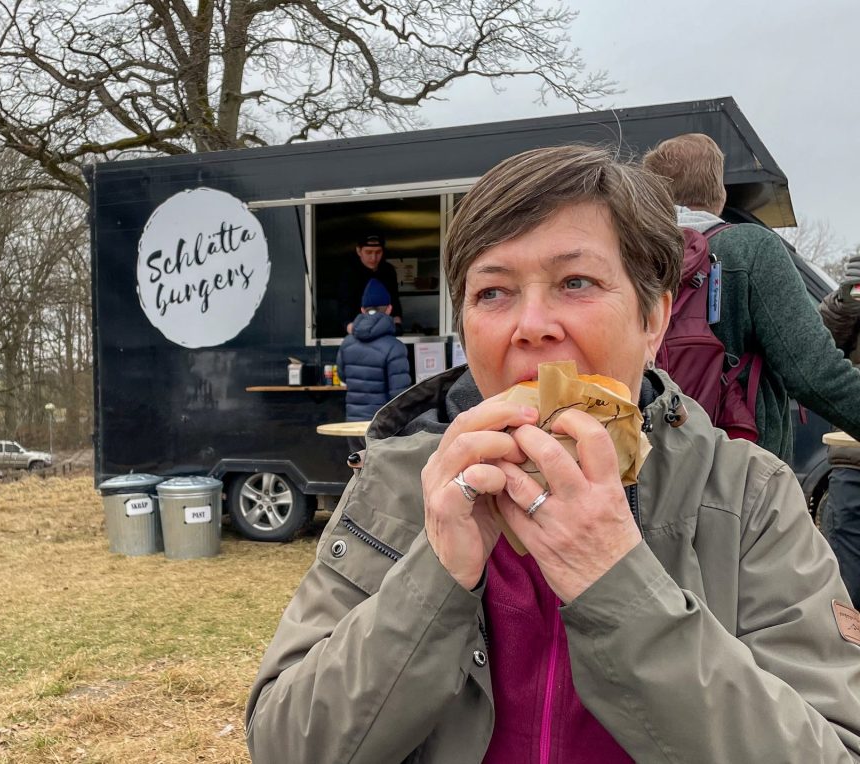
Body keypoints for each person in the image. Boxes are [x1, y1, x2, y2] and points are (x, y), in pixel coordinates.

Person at [245, 145, 860, 762]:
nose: (531, 324)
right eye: (493, 292)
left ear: (655, 318)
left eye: (576, 282)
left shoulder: (747, 495)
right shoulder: (400, 481)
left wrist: (615, 582)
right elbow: (285, 746)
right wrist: (433, 578)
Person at [643, 133, 860, 463]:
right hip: (742, 475)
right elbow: (814, 373)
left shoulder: (630, 257)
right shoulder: (750, 250)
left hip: (647, 465)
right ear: (720, 193)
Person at [819, 252, 860, 604]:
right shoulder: (856, 294)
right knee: (846, 589)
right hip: (853, 459)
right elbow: (819, 345)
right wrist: (846, 298)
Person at [336, 278, 412, 453]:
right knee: (381, 475)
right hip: (382, 425)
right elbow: (399, 395)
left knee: (359, 472)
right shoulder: (395, 347)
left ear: (362, 310)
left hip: (353, 424)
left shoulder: (347, 343)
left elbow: (342, 377)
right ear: (390, 309)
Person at [337, 233, 403, 334]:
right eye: (368, 252)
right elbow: (345, 306)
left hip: (385, 330)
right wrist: (353, 330)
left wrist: (397, 325)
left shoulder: (388, 271)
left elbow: (394, 301)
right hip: (357, 329)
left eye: (378, 252)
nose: (373, 257)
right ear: (359, 251)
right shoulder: (349, 273)